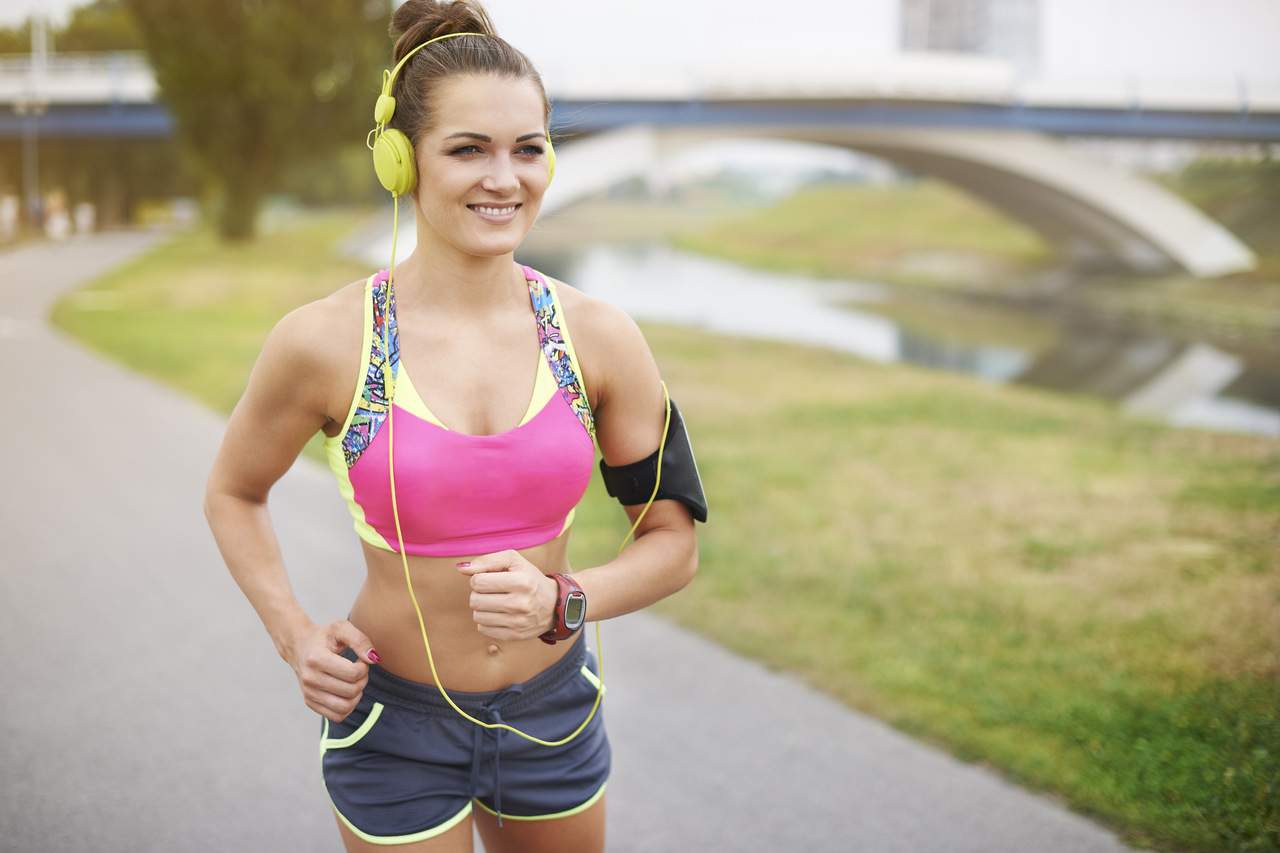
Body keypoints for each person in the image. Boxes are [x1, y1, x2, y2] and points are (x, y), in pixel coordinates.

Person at [202, 2, 704, 851]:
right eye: (468, 149)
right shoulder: (325, 342)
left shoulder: (601, 337)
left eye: (529, 149)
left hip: (553, 716)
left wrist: (563, 600)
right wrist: (294, 633)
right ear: (402, 161)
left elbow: (673, 543)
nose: (504, 179)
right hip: (393, 722)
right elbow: (233, 491)